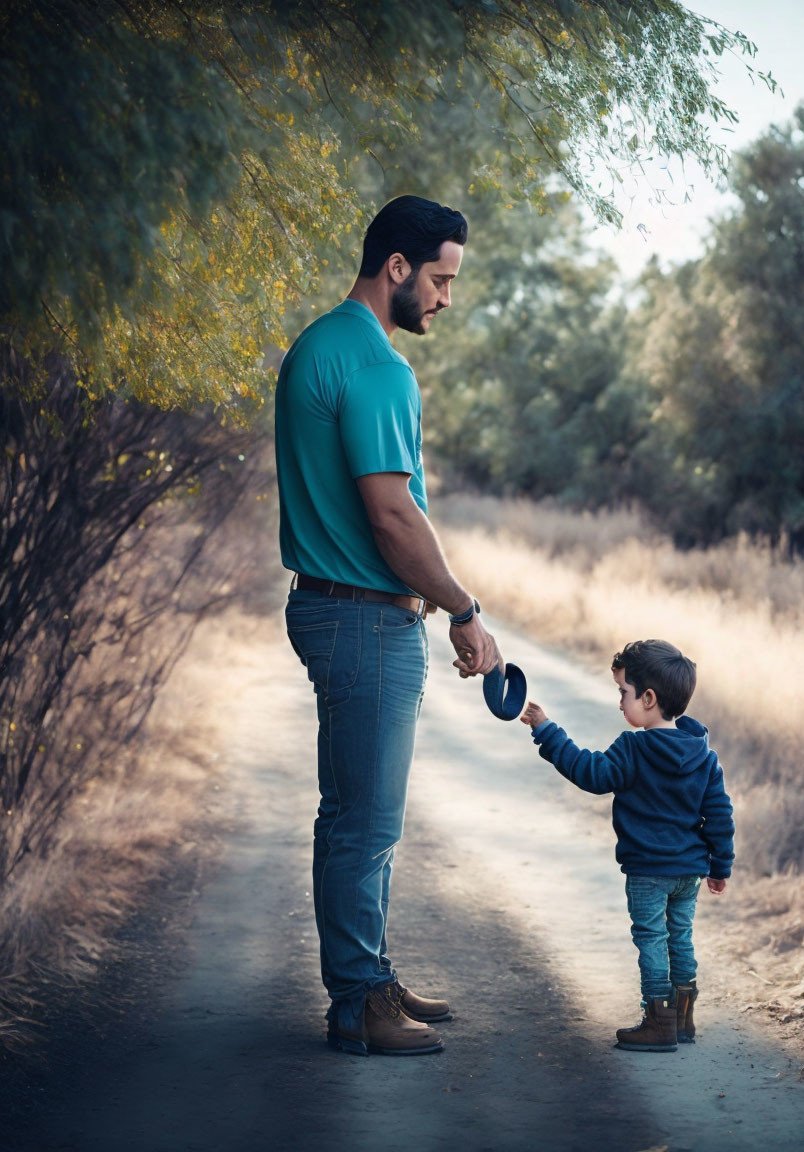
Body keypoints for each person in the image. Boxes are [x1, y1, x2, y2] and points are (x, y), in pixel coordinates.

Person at [275, 195, 501, 1057]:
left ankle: (366, 978)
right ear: (397, 268)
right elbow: (394, 516)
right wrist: (465, 610)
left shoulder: (319, 343)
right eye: (440, 280)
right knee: (367, 823)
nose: (446, 298)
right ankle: (360, 1005)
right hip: (366, 618)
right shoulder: (376, 367)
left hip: (330, 606)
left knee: (353, 818)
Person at [520, 639, 734, 1052]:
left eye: (624, 692)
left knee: (651, 938)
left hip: (647, 873)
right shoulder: (704, 756)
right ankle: (683, 1017)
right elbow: (720, 816)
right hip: (689, 872)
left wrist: (548, 732)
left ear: (649, 698)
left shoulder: (633, 749)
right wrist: (720, 867)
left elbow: (590, 773)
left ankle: (658, 1022)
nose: (620, 702)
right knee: (680, 937)